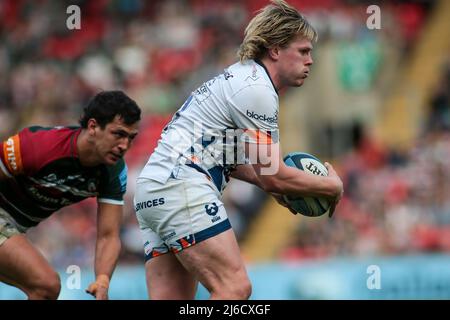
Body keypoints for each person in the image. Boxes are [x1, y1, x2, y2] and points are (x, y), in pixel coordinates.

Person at [134, 0, 343, 300]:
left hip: (153, 191)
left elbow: (232, 162)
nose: (311, 60)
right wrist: (329, 186)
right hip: (181, 185)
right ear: (275, 49)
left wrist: (276, 187)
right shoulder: (257, 89)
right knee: (233, 288)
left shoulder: (240, 77)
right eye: (304, 51)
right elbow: (274, 176)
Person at [0, 90, 141, 299]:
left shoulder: (113, 172)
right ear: (93, 127)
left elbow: (108, 235)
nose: (124, 146)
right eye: (118, 134)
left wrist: (102, 278)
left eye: (131, 138)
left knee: (42, 287)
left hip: (16, 227)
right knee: (45, 284)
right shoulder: (39, 145)